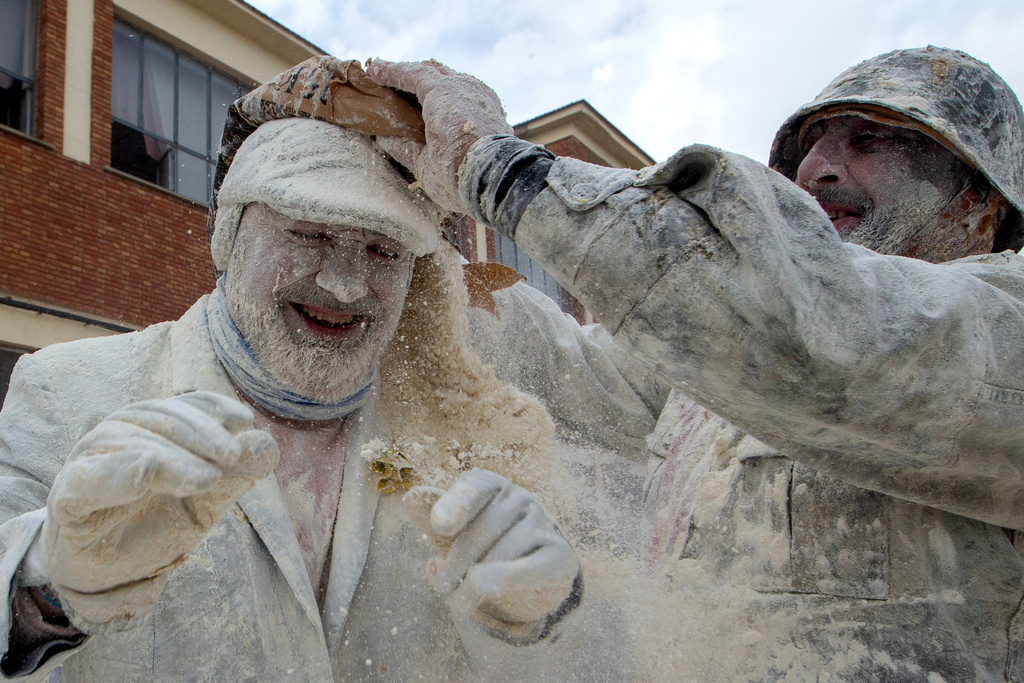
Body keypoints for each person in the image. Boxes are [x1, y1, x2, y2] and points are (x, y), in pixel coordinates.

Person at [367, 46, 1024, 680]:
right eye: (816, 142)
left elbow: (809, 325)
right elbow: (564, 365)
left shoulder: (1001, 334)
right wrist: (401, 251)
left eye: (870, 141)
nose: (817, 168)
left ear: (979, 202)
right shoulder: (723, 361)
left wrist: (497, 168)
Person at [0, 58, 586, 681]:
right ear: (229, 236)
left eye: (383, 250)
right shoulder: (68, 390)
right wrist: (46, 586)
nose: (345, 282)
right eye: (309, 235)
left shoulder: (457, 428)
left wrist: (542, 617)